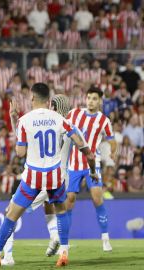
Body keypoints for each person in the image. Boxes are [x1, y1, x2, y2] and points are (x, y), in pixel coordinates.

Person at [0, 83, 97, 267]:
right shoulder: (60, 120)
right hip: (55, 175)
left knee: (11, 214)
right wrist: (92, 168)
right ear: (49, 100)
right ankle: (64, 253)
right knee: (61, 211)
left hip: (33, 176)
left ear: (32, 98)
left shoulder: (25, 120)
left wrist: (14, 120)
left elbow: (20, 152)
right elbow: (83, 147)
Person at [0, 94, 77, 266]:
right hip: (59, 177)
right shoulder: (64, 125)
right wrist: (14, 120)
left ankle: (8, 257)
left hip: (44, 175)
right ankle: (55, 236)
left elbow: (26, 143)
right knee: (49, 206)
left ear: (54, 108)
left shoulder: (51, 123)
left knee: (10, 212)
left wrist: (15, 119)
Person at [66, 87, 117, 252]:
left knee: (97, 198)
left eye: (94, 98)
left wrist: (113, 151)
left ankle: (105, 238)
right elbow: (62, 125)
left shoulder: (104, 120)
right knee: (69, 200)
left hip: (92, 165)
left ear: (100, 100)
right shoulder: (74, 113)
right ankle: (63, 240)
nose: (90, 101)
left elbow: (111, 139)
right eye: (88, 97)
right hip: (73, 164)